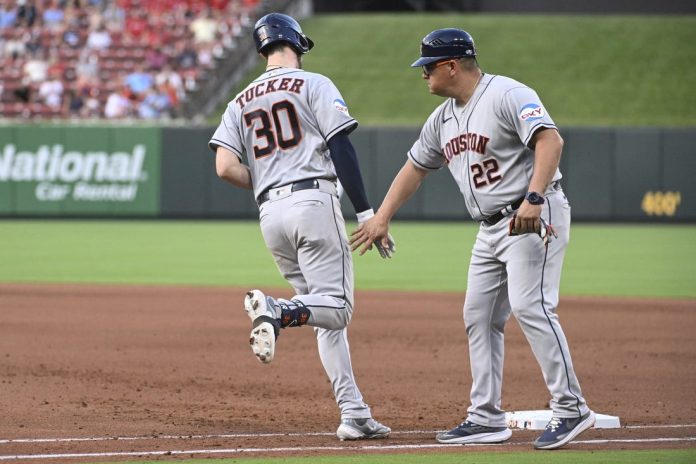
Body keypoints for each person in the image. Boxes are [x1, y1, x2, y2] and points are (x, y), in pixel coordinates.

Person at [350, 28, 595, 450]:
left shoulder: (506, 94)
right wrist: (382, 217)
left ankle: (572, 407)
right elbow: (415, 168)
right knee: (478, 316)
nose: (423, 74)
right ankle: (485, 417)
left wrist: (534, 198)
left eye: (429, 66)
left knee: (531, 305)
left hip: (530, 215)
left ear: (451, 66)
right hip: (489, 228)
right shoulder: (442, 118)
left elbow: (550, 139)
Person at [207, 12, 393, 441]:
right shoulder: (314, 83)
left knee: (323, 312)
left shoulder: (239, 100)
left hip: (270, 214)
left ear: (262, 51)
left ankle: (353, 412)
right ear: (296, 43)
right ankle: (278, 310)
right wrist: (366, 212)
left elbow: (224, 167)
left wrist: (268, 178)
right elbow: (341, 146)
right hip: (312, 201)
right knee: (338, 307)